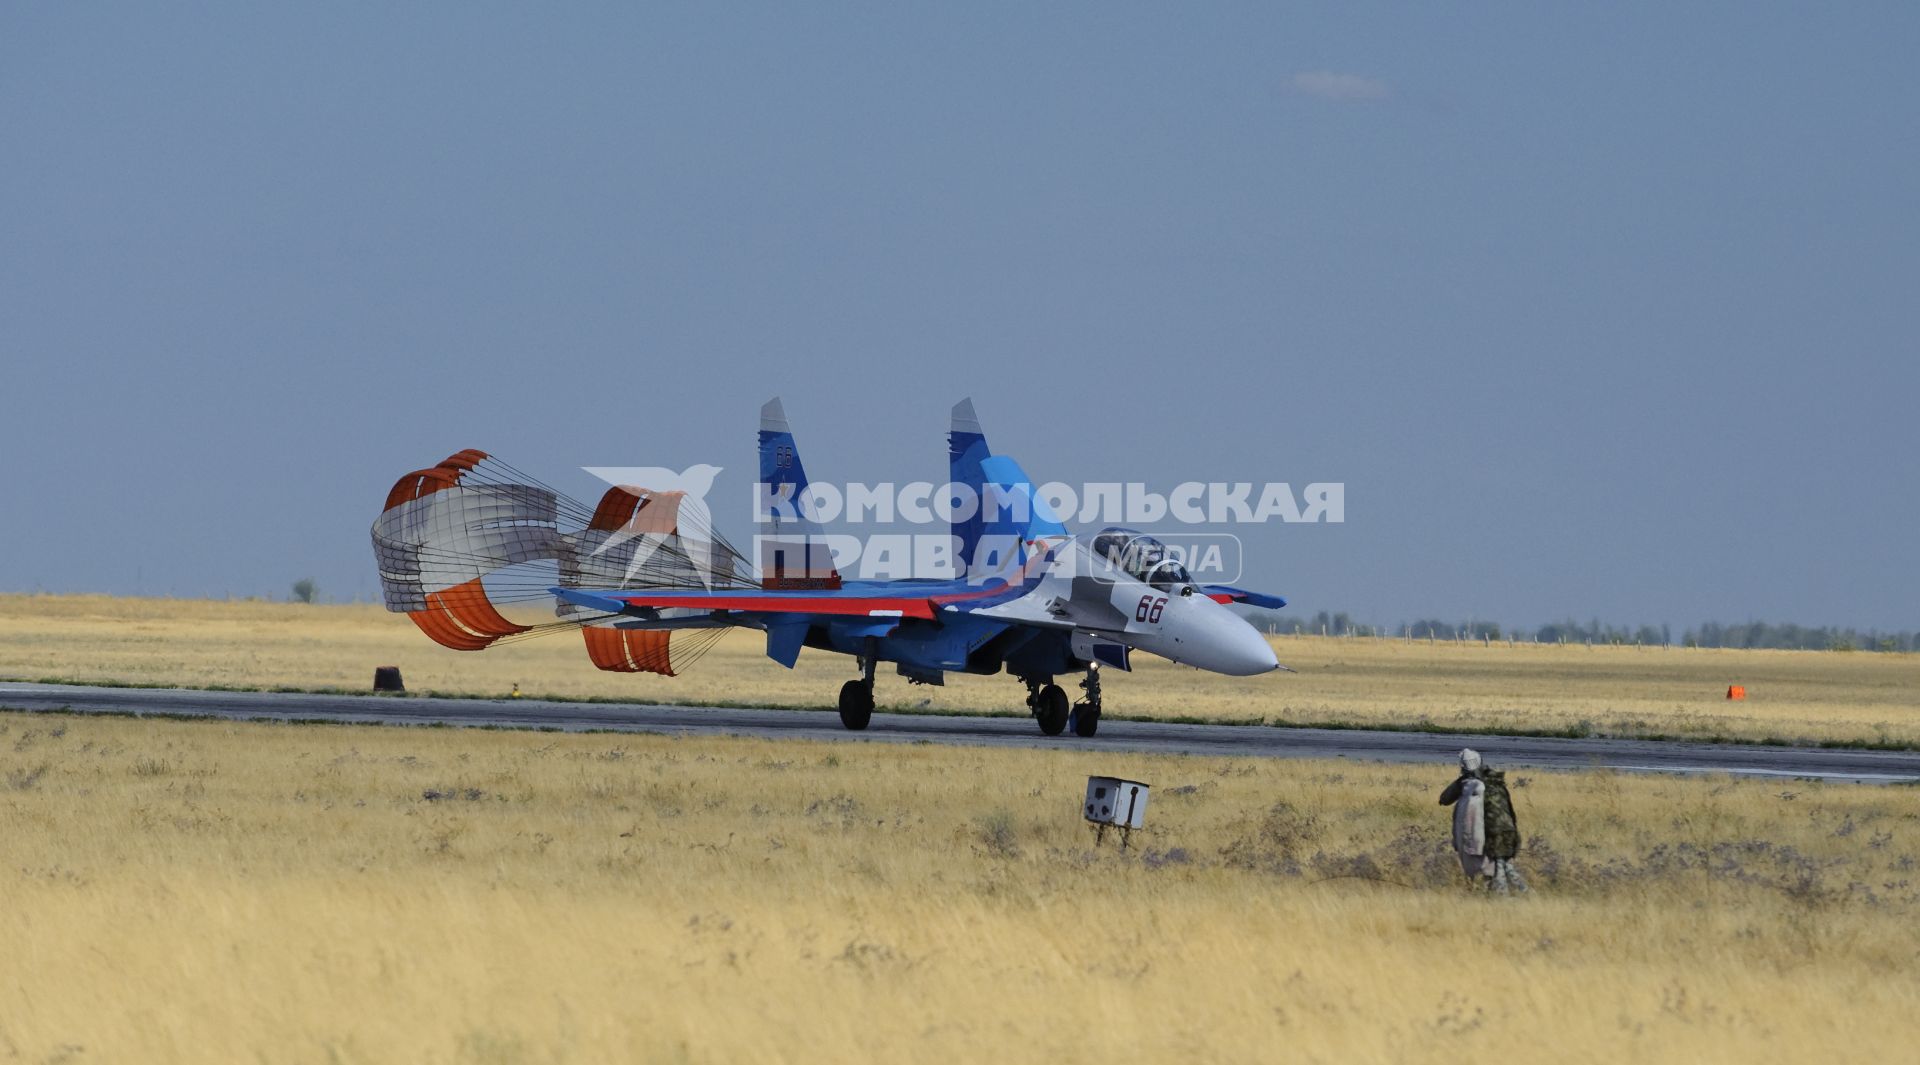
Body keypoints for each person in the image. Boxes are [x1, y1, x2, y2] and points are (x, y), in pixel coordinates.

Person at [1439, 748, 1527, 894]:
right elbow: (1510, 811)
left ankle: (1509, 899)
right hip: (1507, 833)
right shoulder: (1496, 782)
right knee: (1505, 868)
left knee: (1498, 873)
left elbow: (1444, 799)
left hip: (1492, 836)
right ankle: (1526, 895)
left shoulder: (1471, 787)